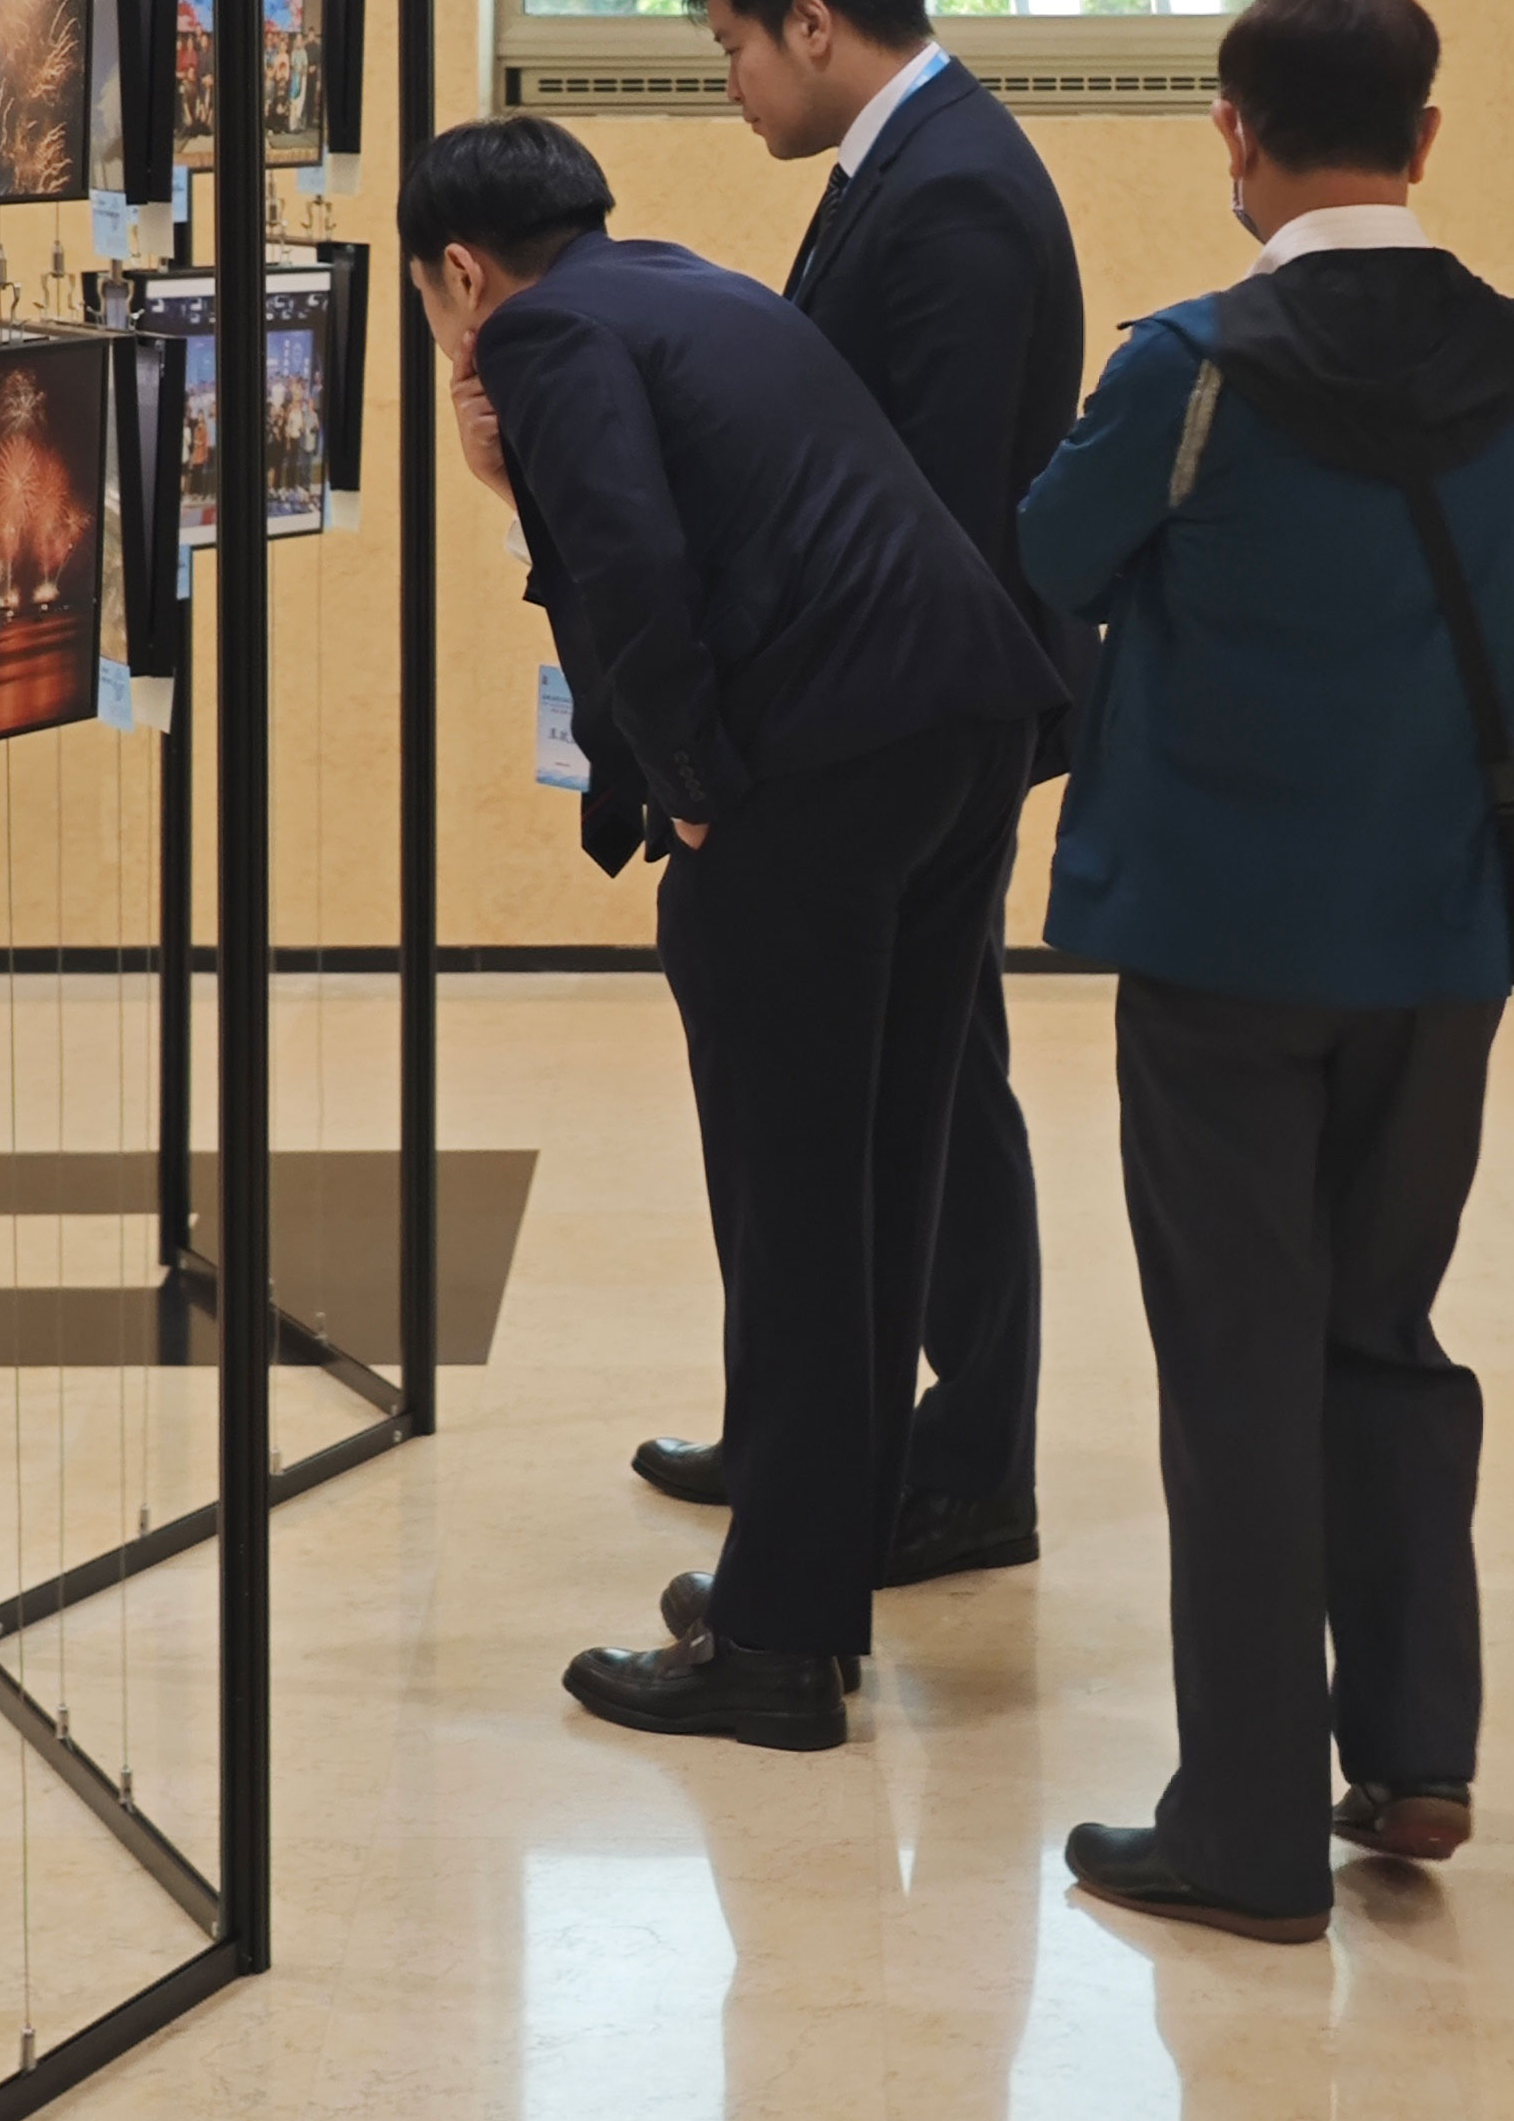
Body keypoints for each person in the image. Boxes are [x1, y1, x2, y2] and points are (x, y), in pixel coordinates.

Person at [1022, 0, 1514, 1943]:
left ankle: (1247, 1830)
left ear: (1233, 132)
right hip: (1441, 936)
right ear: (1424, 135)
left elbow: (1047, 558)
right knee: (1385, 1327)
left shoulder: (1188, 369)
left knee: (1238, 1364)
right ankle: (1416, 1749)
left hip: (1221, 940)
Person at [405, 114, 1060, 1750]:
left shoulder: (542, 338)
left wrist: (688, 784)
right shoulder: (685, 282)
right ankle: (811, 1577)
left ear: (459, 274)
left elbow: (630, 564)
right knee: (881, 1178)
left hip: (823, 770)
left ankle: (772, 1645)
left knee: (790, 1202)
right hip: (964, 726)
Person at [628, 0, 1089, 1587]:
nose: (731, 86)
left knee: (940, 1090)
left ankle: (965, 1467)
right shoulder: (900, 162)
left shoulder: (953, 186)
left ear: (812, 23)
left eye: (734, 49)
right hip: (904, 708)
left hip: (919, 720)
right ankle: (813, 1431)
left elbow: (936, 498)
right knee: (906, 1079)